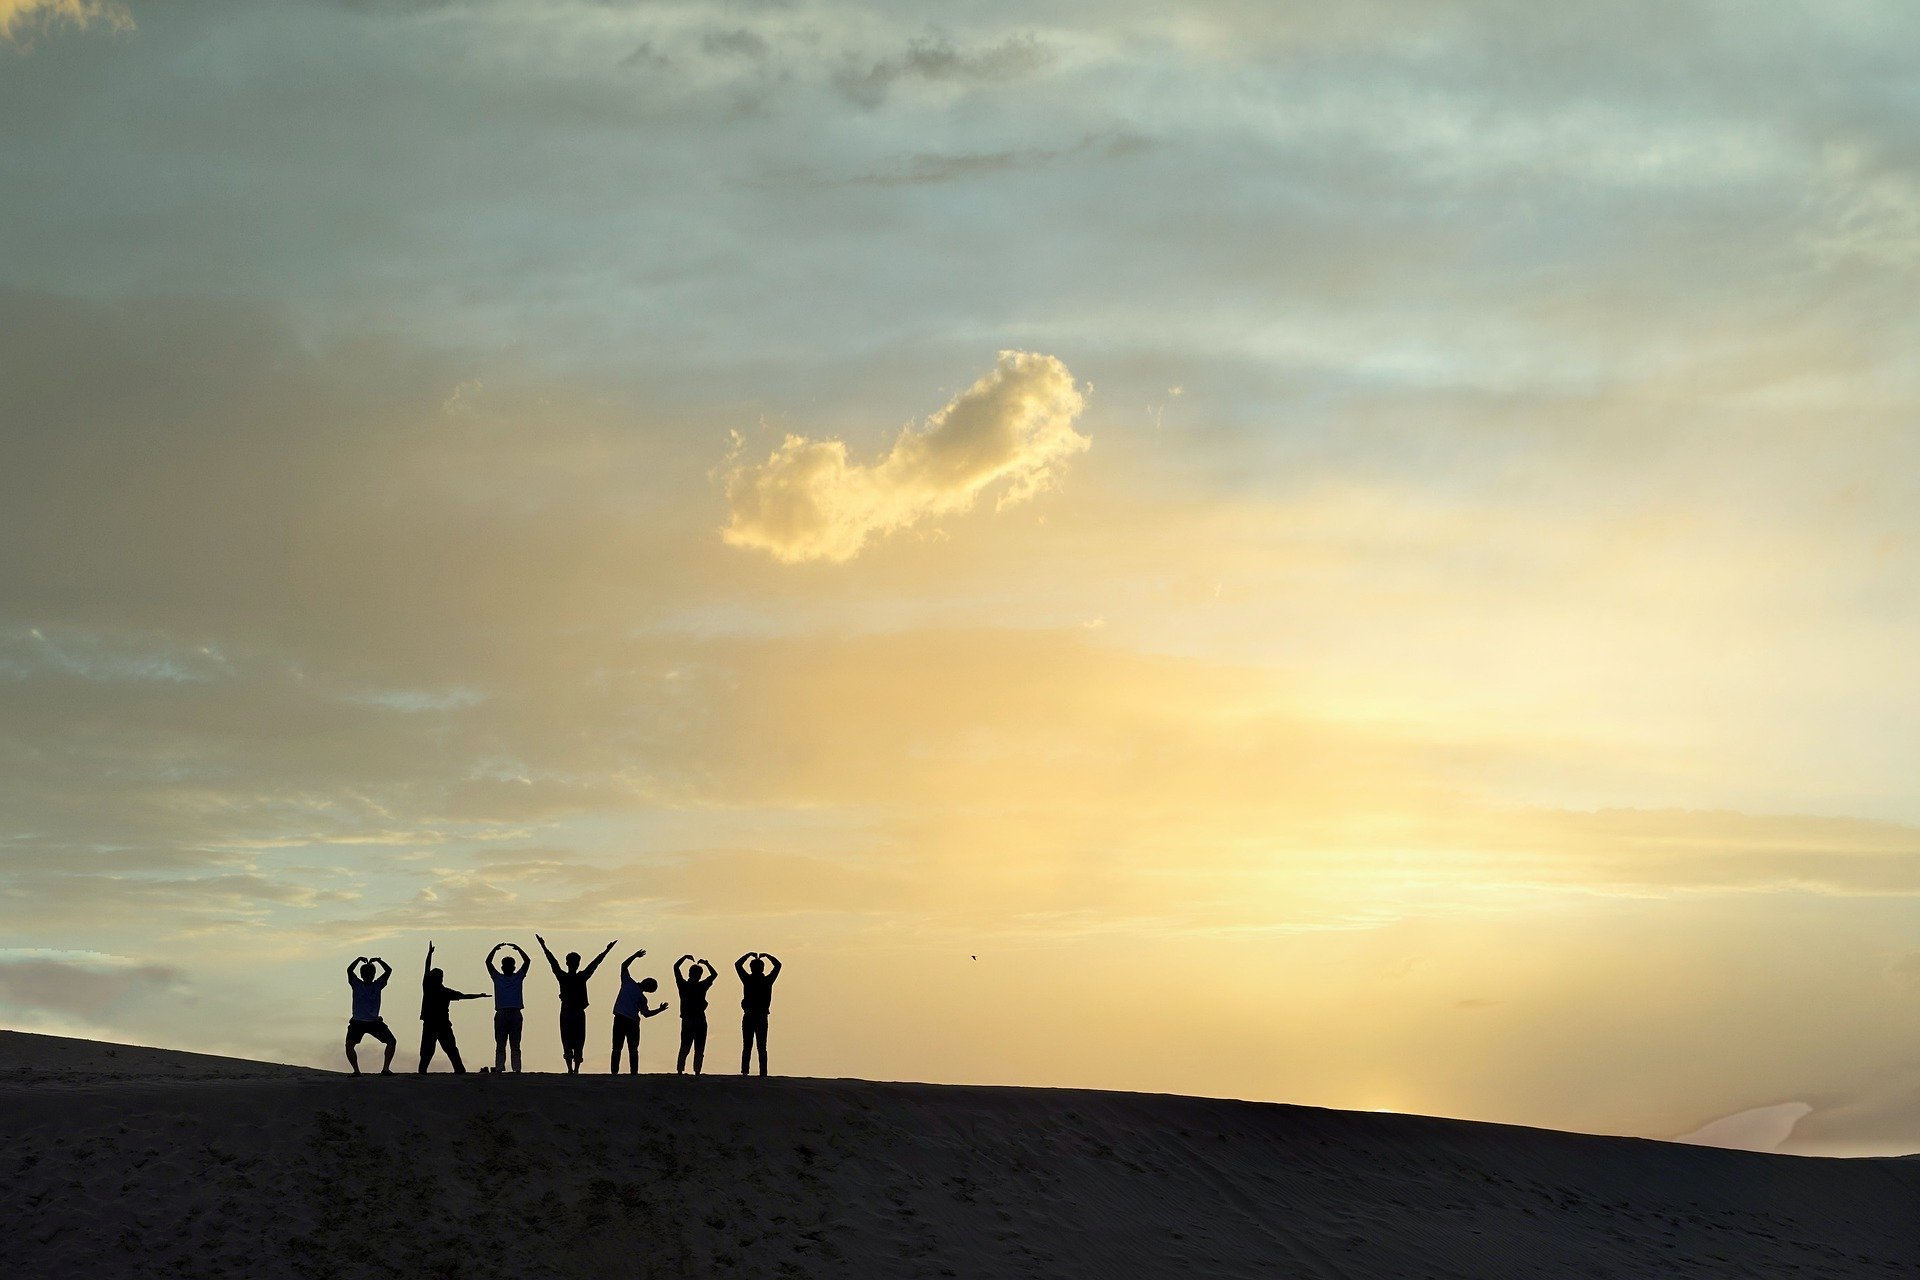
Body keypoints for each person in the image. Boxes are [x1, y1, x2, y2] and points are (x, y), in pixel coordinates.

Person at [538, 933, 616, 1075]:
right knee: (576, 1039)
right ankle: (574, 1069)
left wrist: (544, 946)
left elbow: (553, 962)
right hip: (573, 1011)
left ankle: (571, 1069)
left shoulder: (567, 977)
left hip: (570, 1011)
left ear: (568, 963)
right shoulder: (578, 977)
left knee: (570, 1039)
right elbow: (594, 964)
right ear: (575, 963)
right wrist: (606, 951)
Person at [418, 941, 486, 1073]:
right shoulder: (436, 989)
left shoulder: (435, 989)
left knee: (444, 1050)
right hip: (435, 1025)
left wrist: (479, 995)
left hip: (438, 1025)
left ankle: (456, 1070)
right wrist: (429, 954)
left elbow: (464, 995)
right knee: (434, 1051)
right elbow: (464, 995)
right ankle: (457, 1070)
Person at [609, 949, 669, 1074]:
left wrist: (635, 956)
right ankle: (630, 1073)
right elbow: (646, 1014)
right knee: (628, 1049)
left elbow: (623, 965)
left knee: (620, 1048)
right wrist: (660, 1010)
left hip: (623, 1019)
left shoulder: (629, 984)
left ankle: (619, 1073)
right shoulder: (631, 985)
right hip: (629, 1021)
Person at [344, 956, 396, 1075]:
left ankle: (386, 1069)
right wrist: (357, 960)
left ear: (373, 974)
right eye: (367, 973)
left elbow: (389, 971)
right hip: (358, 1022)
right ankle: (356, 1071)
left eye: (371, 973)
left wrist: (378, 961)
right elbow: (349, 970)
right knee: (349, 1045)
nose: (369, 975)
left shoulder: (377, 985)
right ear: (362, 975)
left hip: (374, 1022)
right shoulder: (357, 984)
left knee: (391, 1041)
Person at [486, 942, 531, 1074]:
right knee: (502, 1044)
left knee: (513, 1044)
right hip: (503, 1013)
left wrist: (518, 949)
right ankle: (501, 1068)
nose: (507, 967)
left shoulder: (516, 977)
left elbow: (527, 961)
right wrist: (495, 949)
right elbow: (488, 962)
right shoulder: (498, 977)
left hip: (513, 1012)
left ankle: (515, 1068)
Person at [735, 952, 782, 1077]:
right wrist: (768, 956)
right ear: (762, 968)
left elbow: (738, 964)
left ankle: (745, 1071)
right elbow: (778, 965)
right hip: (760, 1016)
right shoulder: (766, 980)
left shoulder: (748, 979)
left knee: (748, 1045)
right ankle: (763, 1072)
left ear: (751, 968)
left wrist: (748, 955)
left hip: (751, 1015)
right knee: (761, 1046)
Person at [673, 955, 716, 1075]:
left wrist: (684, 958)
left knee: (686, 1046)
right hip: (699, 1020)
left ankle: (680, 1070)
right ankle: (696, 1071)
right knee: (698, 1048)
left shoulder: (683, 985)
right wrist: (706, 963)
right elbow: (714, 974)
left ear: (689, 973)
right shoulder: (701, 986)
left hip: (689, 1020)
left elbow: (676, 967)